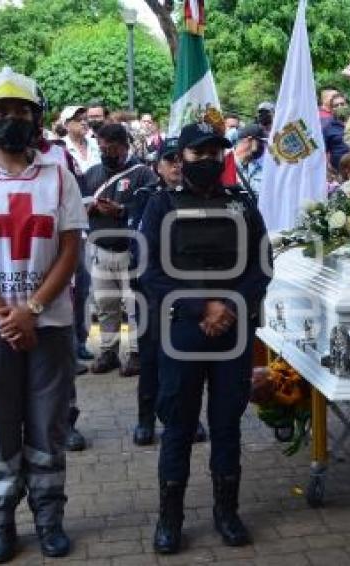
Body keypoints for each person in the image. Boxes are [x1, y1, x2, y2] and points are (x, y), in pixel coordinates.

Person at [0, 67, 87, 561]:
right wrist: (6, 314)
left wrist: (33, 309)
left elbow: (70, 251)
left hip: (50, 324)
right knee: (0, 429)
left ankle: (49, 519)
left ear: (36, 118)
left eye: (20, 111)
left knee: (47, 428)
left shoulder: (60, 178)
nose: (10, 119)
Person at [139, 122, 272, 554]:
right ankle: (170, 518)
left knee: (227, 424)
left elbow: (261, 266)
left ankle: (226, 512)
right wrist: (202, 308)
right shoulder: (161, 205)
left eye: (216, 154)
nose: (209, 162)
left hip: (231, 332)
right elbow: (149, 272)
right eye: (199, 155)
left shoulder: (243, 204)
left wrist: (229, 306)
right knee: (178, 426)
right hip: (182, 331)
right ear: (182, 159)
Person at [132, 137, 208, 446]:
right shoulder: (146, 196)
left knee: (188, 362)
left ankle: (187, 417)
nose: (177, 164)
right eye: (169, 159)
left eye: (181, 158)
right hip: (154, 292)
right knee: (151, 358)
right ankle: (145, 418)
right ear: (157, 166)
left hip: (190, 294)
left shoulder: (200, 196)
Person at [84, 123, 159, 376]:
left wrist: (121, 210)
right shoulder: (92, 173)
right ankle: (108, 351)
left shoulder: (143, 174)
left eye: (111, 148)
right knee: (106, 304)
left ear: (124, 146)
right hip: (100, 249)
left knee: (134, 304)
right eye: (102, 147)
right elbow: (79, 204)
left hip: (130, 251)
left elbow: (149, 208)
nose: (106, 152)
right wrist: (89, 208)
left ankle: (137, 352)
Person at [60, 105, 101, 173]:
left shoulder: (96, 143)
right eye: (78, 120)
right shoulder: (61, 147)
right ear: (66, 125)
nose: (84, 123)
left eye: (85, 119)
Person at [232, 124, 265, 198]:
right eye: (260, 141)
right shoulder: (225, 164)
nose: (263, 146)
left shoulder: (260, 170)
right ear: (248, 139)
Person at [322, 94, 350, 171]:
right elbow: (324, 151)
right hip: (340, 170)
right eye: (336, 105)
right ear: (331, 110)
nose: (340, 107)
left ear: (347, 105)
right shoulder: (328, 128)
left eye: (342, 104)